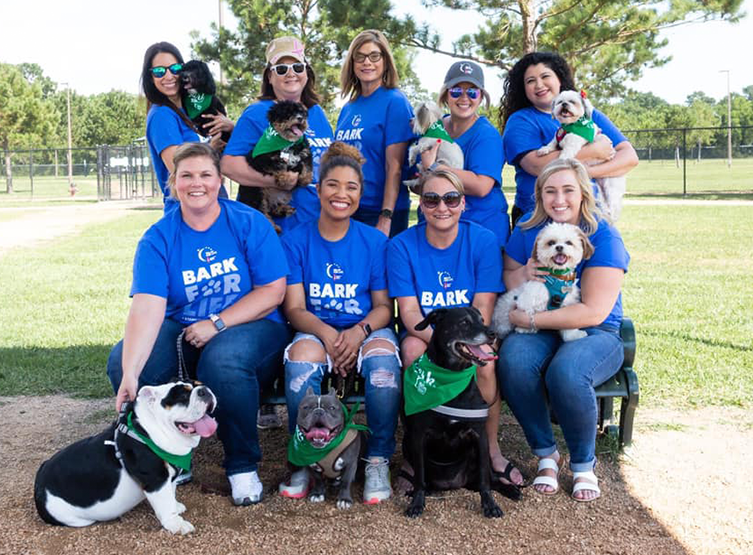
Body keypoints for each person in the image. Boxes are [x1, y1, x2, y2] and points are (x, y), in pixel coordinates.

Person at [107, 142, 291, 507]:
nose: (197, 183)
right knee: (122, 359)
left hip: (253, 323)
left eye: (206, 175)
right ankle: (170, 453)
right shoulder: (158, 238)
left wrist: (217, 322)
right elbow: (147, 307)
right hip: (185, 331)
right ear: (172, 183)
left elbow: (272, 291)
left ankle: (241, 465)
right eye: (186, 175)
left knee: (222, 362)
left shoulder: (248, 222)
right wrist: (131, 372)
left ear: (220, 181)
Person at [497, 157, 630, 502]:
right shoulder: (529, 228)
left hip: (596, 329)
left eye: (568, 190)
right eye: (550, 191)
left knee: (568, 372)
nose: (559, 199)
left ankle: (584, 464)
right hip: (539, 321)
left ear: (583, 193)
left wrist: (528, 320)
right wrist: (525, 276)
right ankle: (547, 454)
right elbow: (510, 272)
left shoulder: (603, 235)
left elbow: (593, 310)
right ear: (539, 196)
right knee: (513, 360)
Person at [279, 142, 401, 504]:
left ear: (361, 195)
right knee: (301, 361)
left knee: (382, 366)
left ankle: (377, 457)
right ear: (318, 189)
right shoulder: (296, 239)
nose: (341, 194)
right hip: (317, 328)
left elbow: (383, 308)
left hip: (365, 327)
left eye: (351, 187)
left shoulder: (373, 241)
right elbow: (295, 309)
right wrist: (329, 334)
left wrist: (357, 332)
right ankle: (305, 456)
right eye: (333, 185)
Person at [386, 169, 523, 489]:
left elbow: (483, 309)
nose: (441, 207)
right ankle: (416, 451)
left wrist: (467, 348)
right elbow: (408, 312)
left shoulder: (483, 241)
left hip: (471, 335)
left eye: (451, 199)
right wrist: (443, 346)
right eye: (431, 199)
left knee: (485, 363)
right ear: (421, 205)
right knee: (411, 352)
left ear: (464, 204)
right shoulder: (402, 245)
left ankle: (490, 450)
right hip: (427, 335)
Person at [499, 51, 638, 227]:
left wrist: (588, 172)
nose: (539, 85)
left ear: (559, 79)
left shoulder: (588, 113)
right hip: (539, 217)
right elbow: (535, 165)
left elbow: (629, 157)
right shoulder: (521, 120)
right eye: (530, 81)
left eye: (545, 76)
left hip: (590, 215)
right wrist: (594, 152)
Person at [221, 36, 334, 234]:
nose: (291, 74)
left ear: (306, 72)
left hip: (316, 226)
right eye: (281, 69)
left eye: (298, 67)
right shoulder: (257, 113)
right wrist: (277, 180)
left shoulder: (316, 113)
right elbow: (229, 165)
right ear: (269, 77)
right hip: (276, 230)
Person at [418, 61, 509, 247]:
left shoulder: (486, 134)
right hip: (437, 229)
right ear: (445, 95)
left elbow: (481, 185)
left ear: (481, 96)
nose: (464, 98)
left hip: (480, 229)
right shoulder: (433, 128)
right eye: (456, 91)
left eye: (472, 92)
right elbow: (415, 183)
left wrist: (434, 168)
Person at [335, 29, 414, 237]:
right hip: (347, 207)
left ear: (385, 61)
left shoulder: (395, 102)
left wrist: (385, 216)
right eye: (359, 57)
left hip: (381, 211)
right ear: (352, 63)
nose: (366, 62)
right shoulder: (348, 108)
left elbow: (394, 167)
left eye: (374, 56)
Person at [141, 42, 233, 211]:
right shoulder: (162, 116)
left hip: (211, 203)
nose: (169, 76)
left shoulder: (191, 108)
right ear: (151, 78)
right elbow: (178, 168)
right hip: (188, 212)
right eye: (159, 71)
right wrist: (211, 148)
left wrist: (230, 127)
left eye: (175, 68)